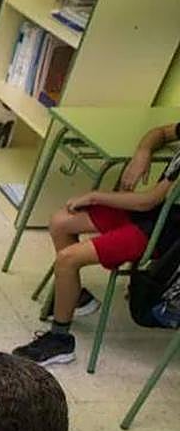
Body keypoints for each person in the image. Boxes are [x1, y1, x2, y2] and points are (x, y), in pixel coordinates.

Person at [13, 123, 180, 366]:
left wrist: (95, 196)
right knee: (60, 221)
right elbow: (162, 132)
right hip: (155, 213)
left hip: (165, 233)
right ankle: (75, 296)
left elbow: (147, 201)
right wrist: (144, 152)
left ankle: (60, 340)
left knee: (67, 259)